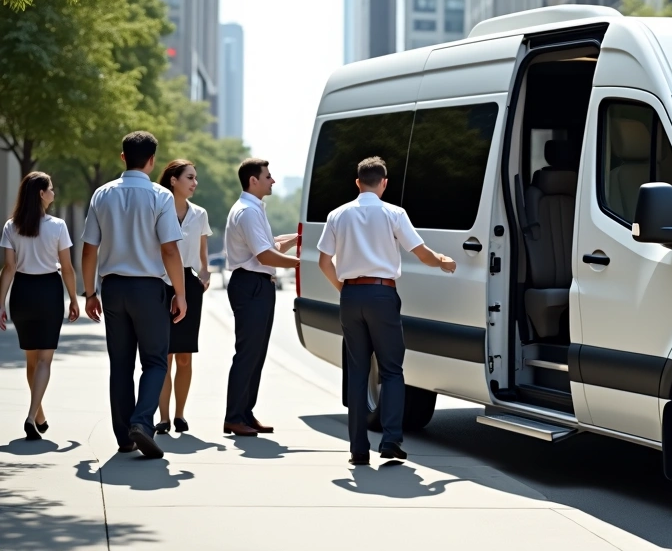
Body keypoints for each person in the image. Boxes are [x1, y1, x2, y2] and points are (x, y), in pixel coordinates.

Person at [316, 156, 456, 465]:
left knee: (357, 372)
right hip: (382, 294)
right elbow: (422, 253)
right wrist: (444, 260)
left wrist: (345, 290)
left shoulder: (337, 215)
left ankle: (358, 449)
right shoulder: (394, 213)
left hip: (351, 295)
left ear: (357, 183)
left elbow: (324, 262)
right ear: (384, 183)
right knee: (392, 370)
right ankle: (391, 440)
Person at [82, 131, 187, 459]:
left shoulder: (102, 194)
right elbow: (169, 250)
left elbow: (89, 250)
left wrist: (89, 293)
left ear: (123, 157)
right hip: (148, 288)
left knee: (121, 363)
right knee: (155, 361)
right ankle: (142, 421)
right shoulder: (161, 196)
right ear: (153, 160)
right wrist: (180, 293)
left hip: (112, 288)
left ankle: (124, 437)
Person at [0, 172, 80, 441]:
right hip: (48, 292)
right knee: (45, 360)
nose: (54, 194)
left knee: (32, 361)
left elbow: (9, 268)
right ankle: (31, 416)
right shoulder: (58, 226)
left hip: (22, 293)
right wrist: (73, 298)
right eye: (51, 190)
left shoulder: (11, 226)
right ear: (41, 194)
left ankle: (39, 416)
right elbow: (67, 268)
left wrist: (0, 304)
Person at [223, 158, 299, 437]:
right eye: (268, 176)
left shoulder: (253, 209)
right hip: (251, 285)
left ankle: (244, 412)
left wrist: (296, 239)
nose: (272, 180)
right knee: (248, 353)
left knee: (256, 353)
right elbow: (265, 255)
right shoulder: (248, 212)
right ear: (253, 180)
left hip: (257, 284)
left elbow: (271, 244)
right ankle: (234, 416)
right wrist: (301, 263)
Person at [155, 160, 212, 435]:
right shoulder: (157, 208)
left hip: (189, 285)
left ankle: (180, 414)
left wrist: (205, 273)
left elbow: (203, 249)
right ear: (173, 180)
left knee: (185, 357)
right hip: (160, 284)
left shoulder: (199, 213)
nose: (194, 182)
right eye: (189, 177)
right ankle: (163, 418)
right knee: (163, 356)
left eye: (195, 178)